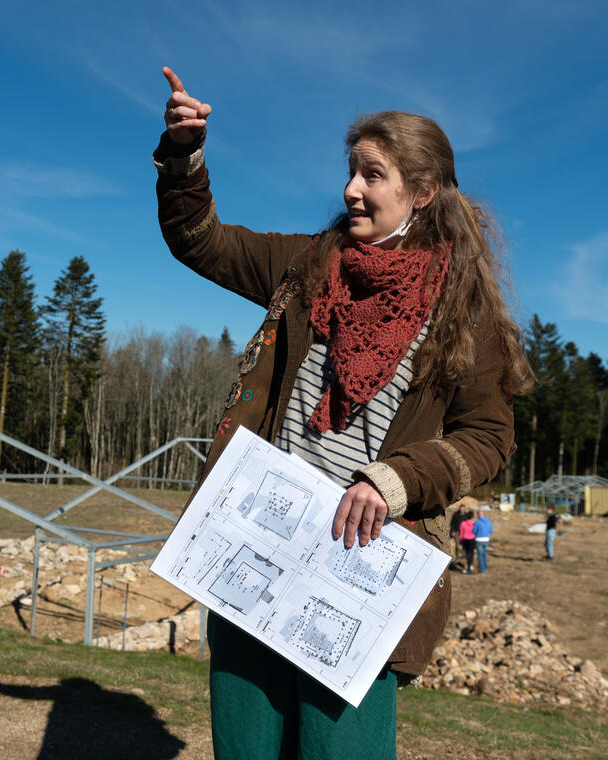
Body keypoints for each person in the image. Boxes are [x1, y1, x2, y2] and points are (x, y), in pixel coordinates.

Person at [156, 66, 532, 759]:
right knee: (245, 748)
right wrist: (184, 154)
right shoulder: (306, 265)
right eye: (350, 171)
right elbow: (198, 239)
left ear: (421, 193)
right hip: (256, 545)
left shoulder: (462, 309)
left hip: (360, 571)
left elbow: (487, 436)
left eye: (372, 174)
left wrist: (395, 482)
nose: (350, 190)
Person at [449, 503, 471, 569]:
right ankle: (458, 554)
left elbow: (469, 523)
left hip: (464, 532)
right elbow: (452, 523)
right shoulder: (456, 515)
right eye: (461, 508)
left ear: (465, 509)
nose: (462, 509)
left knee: (464, 544)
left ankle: (464, 555)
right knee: (457, 544)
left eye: (463, 508)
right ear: (459, 508)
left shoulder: (466, 515)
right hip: (457, 531)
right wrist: (452, 531)